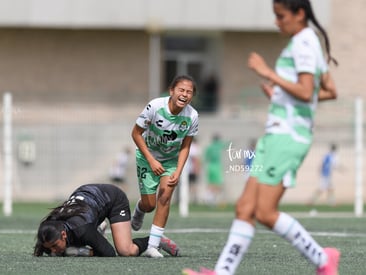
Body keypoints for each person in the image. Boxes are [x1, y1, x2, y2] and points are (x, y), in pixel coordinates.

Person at [183, 0, 339, 274]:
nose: (277, 22)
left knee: (265, 212)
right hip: (275, 135)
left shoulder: (304, 42)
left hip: (288, 136)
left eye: (280, 16)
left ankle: (324, 260)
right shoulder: (306, 42)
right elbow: (327, 90)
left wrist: (268, 74)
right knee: (245, 207)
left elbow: (305, 92)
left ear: (299, 13)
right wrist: (280, 95)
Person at [130, 74, 199, 258]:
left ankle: (152, 246)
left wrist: (178, 170)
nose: (185, 94)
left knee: (166, 196)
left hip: (170, 161)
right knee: (149, 204)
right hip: (148, 157)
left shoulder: (192, 116)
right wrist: (151, 160)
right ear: (172, 91)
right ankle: (139, 209)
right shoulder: (155, 107)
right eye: (181, 90)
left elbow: (186, 146)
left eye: (189, 92)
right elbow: (136, 134)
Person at [33, 183, 179, 257]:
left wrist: (79, 251)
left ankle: (156, 239)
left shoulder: (82, 229)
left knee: (126, 251)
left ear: (63, 234)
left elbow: (109, 252)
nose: (52, 251)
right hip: (88, 198)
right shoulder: (50, 231)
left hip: (112, 198)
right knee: (82, 235)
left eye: (54, 246)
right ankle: (98, 228)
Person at [204, 134, 226, 205]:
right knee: (218, 184)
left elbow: (205, 158)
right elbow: (227, 144)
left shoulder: (209, 147)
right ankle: (211, 199)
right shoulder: (218, 145)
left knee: (211, 183)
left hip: (210, 166)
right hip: (216, 166)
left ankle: (210, 198)